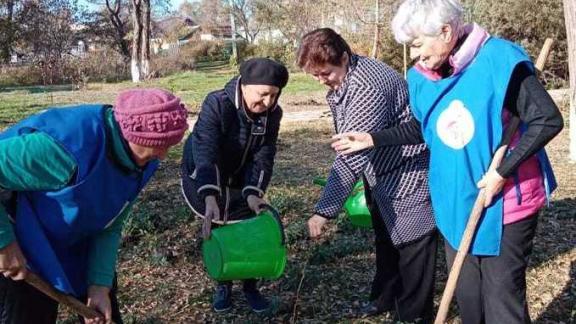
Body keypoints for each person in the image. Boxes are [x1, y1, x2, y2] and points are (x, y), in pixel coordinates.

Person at [332, 1, 564, 323]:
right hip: (454, 201)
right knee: (469, 298)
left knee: (501, 299)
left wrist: (502, 171)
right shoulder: (420, 77)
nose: (413, 55)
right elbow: (424, 125)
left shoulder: (500, 59)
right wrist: (373, 138)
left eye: (416, 44)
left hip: (505, 200)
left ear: (445, 31)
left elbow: (546, 120)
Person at [0, 88, 189, 324]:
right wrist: (5, 245)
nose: (163, 156)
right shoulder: (65, 148)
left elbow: (111, 221)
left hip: (75, 238)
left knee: (104, 313)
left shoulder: (143, 161)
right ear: (131, 135)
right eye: (158, 147)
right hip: (20, 238)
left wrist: (99, 284)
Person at [297, 28, 437, 323]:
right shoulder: (347, 76)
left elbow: (350, 158)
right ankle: (385, 296)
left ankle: (414, 313)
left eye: (326, 73)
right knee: (386, 236)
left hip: (407, 169)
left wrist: (323, 212)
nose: (322, 81)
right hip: (380, 171)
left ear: (345, 58)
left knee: (413, 244)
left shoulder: (365, 88)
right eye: (316, 76)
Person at [180, 58, 289, 313]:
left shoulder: (273, 113)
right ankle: (223, 285)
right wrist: (209, 195)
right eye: (263, 94)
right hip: (207, 170)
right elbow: (205, 149)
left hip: (242, 173)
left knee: (250, 225)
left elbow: (264, 153)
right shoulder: (218, 103)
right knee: (217, 224)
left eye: (274, 96)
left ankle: (251, 286)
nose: (268, 102)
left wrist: (254, 192)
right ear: (245, 86)